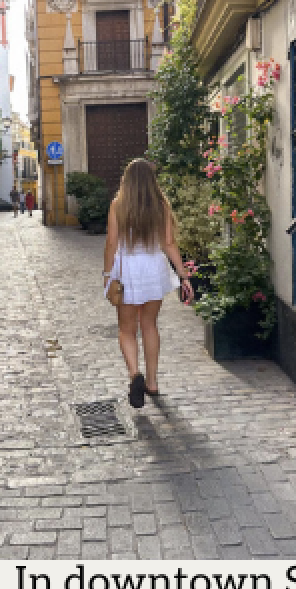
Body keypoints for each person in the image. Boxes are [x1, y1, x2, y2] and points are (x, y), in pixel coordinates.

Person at [103, 158, 193, 408]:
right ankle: (152, 382)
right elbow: (169, 243)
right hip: (154, 268)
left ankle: (135, 375)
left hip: (127, 270)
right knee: (150, 325)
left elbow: (111, 242)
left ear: (127, 179)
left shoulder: (118, 204)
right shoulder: (161, 205)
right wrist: (183, 274)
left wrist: (107, 274)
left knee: (127, 329)